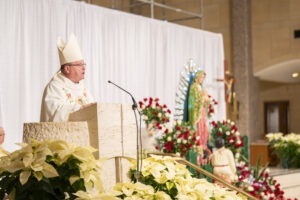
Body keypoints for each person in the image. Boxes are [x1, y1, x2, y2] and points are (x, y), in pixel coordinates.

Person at [40, 33, 94, 122]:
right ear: (67, 68)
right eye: (79, 64)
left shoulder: (83, 88)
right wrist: (80, 108)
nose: (84, 67)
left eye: (83, 64)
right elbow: (55, 113)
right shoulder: (54, 87)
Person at [188, 70, 210, 149]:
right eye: (201, 77)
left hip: (202, 110)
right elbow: (194, 100)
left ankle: (203, 145)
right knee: (199, 127)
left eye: (203, 78)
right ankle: (199, 146)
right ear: (197, 77)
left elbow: (205, 99)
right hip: (197, 112)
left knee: (204, 127)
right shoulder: (194, 86)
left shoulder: (201, 87)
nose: (202, 79)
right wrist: (203, 98)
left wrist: (206, 99)